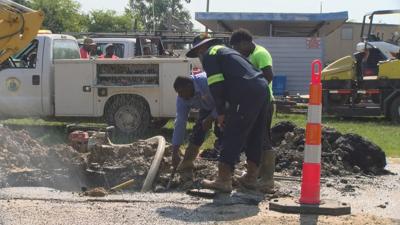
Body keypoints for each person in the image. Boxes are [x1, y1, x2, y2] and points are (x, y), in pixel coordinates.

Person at [186, 34, 269, 192]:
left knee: (233, 131)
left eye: (198, 53)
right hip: (261, 88)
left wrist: (221, 112)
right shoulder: (227, 52)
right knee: (255, 133)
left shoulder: (210, 54)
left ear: (203, 47)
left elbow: (216, 86)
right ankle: (251, 178)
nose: (199, 57)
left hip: (245, 92)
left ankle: (223, 180)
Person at [230, 28, 276, 193]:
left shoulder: (260, 53)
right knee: (256, 137)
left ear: (245, 42)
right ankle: (258, 175)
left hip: (264, 101)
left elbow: (268, 76)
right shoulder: (250, 56)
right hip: (255, 102)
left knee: (263, 137)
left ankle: (267, 179)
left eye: (237, 47)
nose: (236, 51)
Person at [172, 73, 221, 181]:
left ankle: (226, 172)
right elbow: (180, 122)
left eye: (181, 92)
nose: (181, 96)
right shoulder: (182, 98)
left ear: (190, 86)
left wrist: (212, 118)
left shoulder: (206, 82)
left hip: (224, 103)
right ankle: (187, 162)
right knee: (198, 131)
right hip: (207, 106)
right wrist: (175, 151)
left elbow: (225, 100)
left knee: (223, 133)